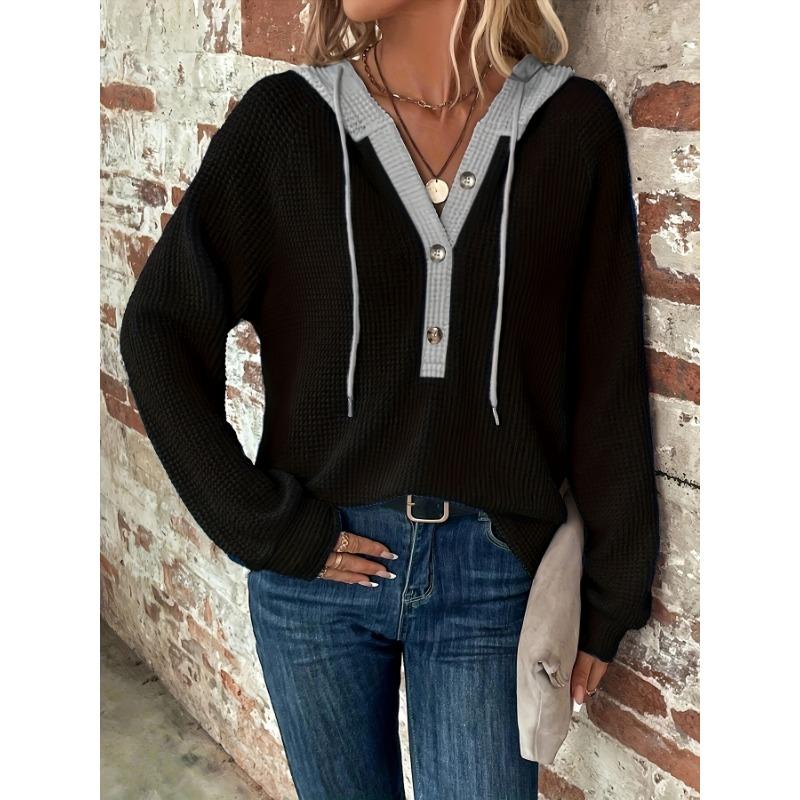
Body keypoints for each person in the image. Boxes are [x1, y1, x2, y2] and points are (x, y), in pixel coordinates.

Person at [118, 1, 660, 797]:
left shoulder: (570, 129)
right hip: (317, 575)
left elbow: (607, 378)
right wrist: (256, 521)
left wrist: (611, 595)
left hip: (492, 577)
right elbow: (160, 328)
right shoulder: (287, 124)